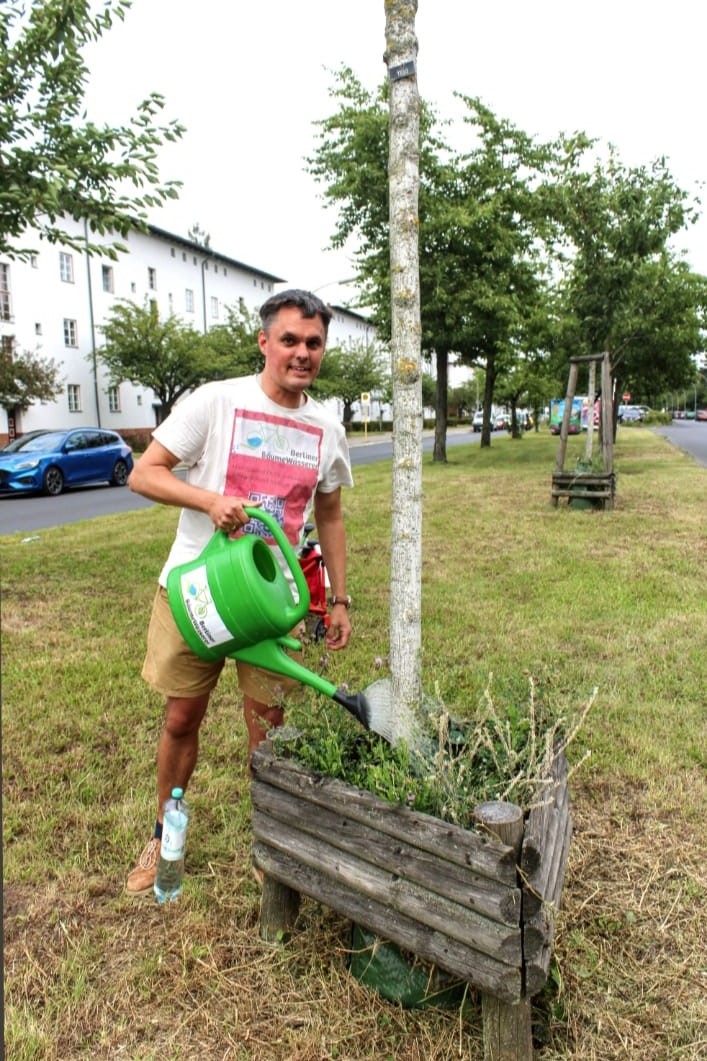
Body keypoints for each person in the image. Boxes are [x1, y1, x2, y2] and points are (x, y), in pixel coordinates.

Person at [125, 289, 354, 895]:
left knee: (270, 728)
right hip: (199, 593)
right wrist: (210, 500)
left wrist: (337, 598)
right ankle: (163, 834)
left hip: (274, 603)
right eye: (290, 340)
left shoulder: (327, 429)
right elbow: (143, 473)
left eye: (313, 343)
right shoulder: (217, 401)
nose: (302, 353)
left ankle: (271, 846)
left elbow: (328, 516)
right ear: (264, 342)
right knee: (181, 715)